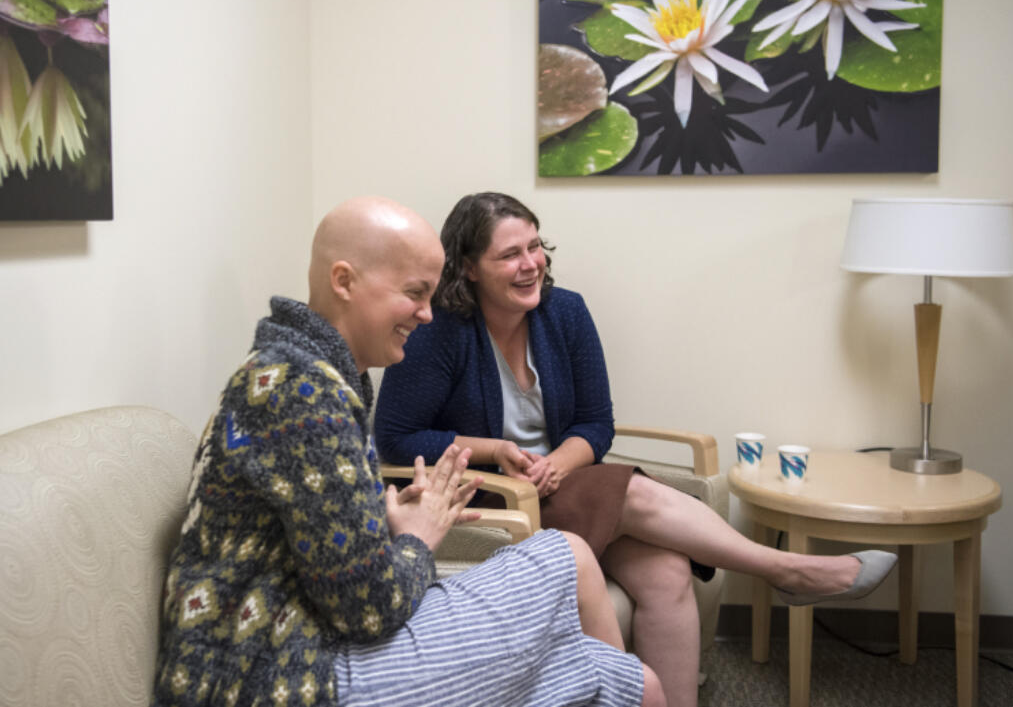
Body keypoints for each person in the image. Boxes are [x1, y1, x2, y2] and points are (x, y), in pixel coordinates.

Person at [374, 191, 898, 707]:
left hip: (564, 486)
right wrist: (496, 450)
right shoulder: (440, 330)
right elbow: (395, 438)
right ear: (468, 268)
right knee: (637, 495)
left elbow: (596, 424)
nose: (530, 264)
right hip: (488, 498)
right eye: (510, 255)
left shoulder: (566, 314)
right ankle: (786, 570)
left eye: (535, 246)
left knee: (668, 572)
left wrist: (558, 463)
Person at [151, 195, 664, 707]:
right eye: (415, 294)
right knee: (588, 596)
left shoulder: (296, 372)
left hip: (303, 642)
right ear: (344, 281)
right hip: (285, 674)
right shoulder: (304, 396)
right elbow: (369, 610)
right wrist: (418, 538)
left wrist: (388, 520)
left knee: (609, 659)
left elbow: (326, 554)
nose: (425, 315)